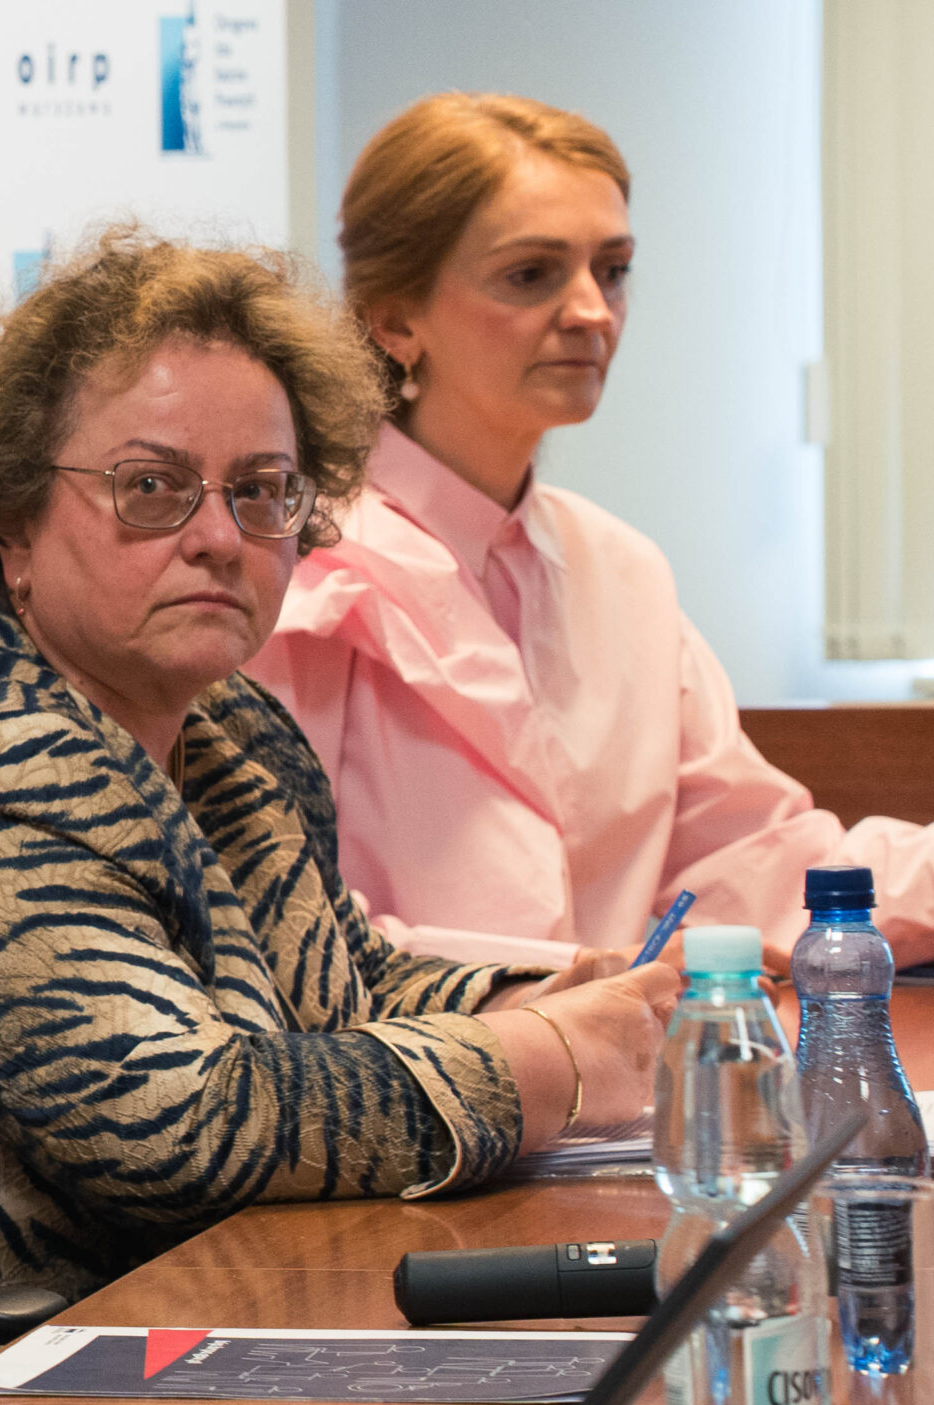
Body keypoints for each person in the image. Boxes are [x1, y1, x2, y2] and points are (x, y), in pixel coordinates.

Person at [0, 228, 683, 1393]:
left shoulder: (230, 729)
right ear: (16, 524)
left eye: (262, 492)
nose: (220, 539)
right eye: (152, 489)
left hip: (209, 1313)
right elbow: (186, 1128)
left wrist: (549, 997)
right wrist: (552, 1063)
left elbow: (344, 984)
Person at [243, 92, 934, 971]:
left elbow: (751, 865)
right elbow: (293, 927)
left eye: (612, 270)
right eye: (531, 274)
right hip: (407, 1058)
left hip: (615, 1053)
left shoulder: (622, 571)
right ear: (395, 318)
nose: (593, 311)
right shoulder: (294, 571)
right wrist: (579, 993)